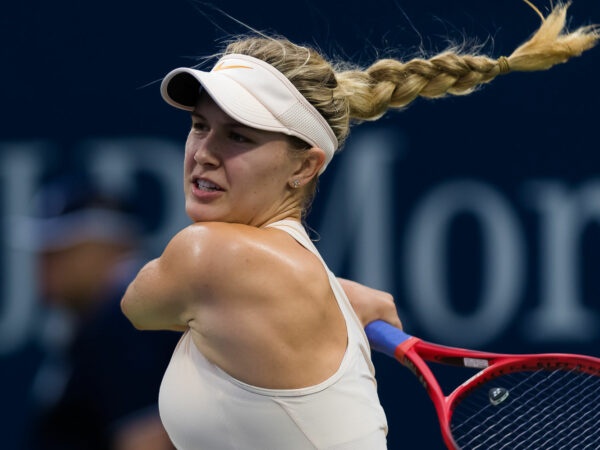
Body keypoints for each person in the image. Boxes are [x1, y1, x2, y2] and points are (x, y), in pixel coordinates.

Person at [120, 3, 598, 449]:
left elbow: (138, 307)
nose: (204, 152)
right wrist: (337, 292)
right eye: (200, 125)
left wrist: (338, 292)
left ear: (305, 168)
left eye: (238, 135)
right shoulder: (301, 282)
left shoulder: (207, 255)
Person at [24, 175, 180, 450]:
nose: (44, 261)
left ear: (107, 245)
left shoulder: (127, 320)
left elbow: (147, 440)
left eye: (61, 247)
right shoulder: (107, 318)